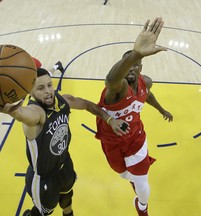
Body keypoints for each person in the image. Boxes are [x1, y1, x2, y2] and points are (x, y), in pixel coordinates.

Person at [0, 68, 128, 216]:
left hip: (64, 163)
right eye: (40, 88)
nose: (48, 91)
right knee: (43, 212)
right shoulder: (36, 113)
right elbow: (23, 114)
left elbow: (87, 104)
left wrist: (110, 119)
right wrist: (10, 109)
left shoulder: (62, 101)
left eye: (49, 85)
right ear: (30, 92)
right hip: (44, 178)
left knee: (67, 194)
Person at [95, 17, 173, 216]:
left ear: (141, 68)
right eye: (127, 64)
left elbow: (148, 96)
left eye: (136, 64)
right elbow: (110, 79)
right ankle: (135, 182)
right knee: (123, 174)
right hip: (111, 141)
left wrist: (161, 110)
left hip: (136, 138)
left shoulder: (145, 82)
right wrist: (135, 53)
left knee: (142, 184)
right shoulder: (117, 88)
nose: (132, 68)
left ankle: (142, 207)